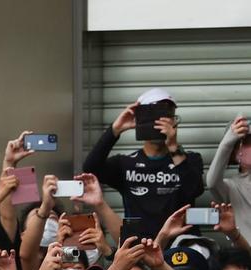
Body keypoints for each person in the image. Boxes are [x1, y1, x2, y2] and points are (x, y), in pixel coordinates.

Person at [83, 88, 204, 241]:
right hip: (140, 245)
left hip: (181, 245)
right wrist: (115, 130)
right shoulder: (125, 164)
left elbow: (194, 190)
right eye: (154, 117)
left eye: (167, 117)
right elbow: (90, 168)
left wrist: (173, 147)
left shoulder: (189, 160)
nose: (160, 123)